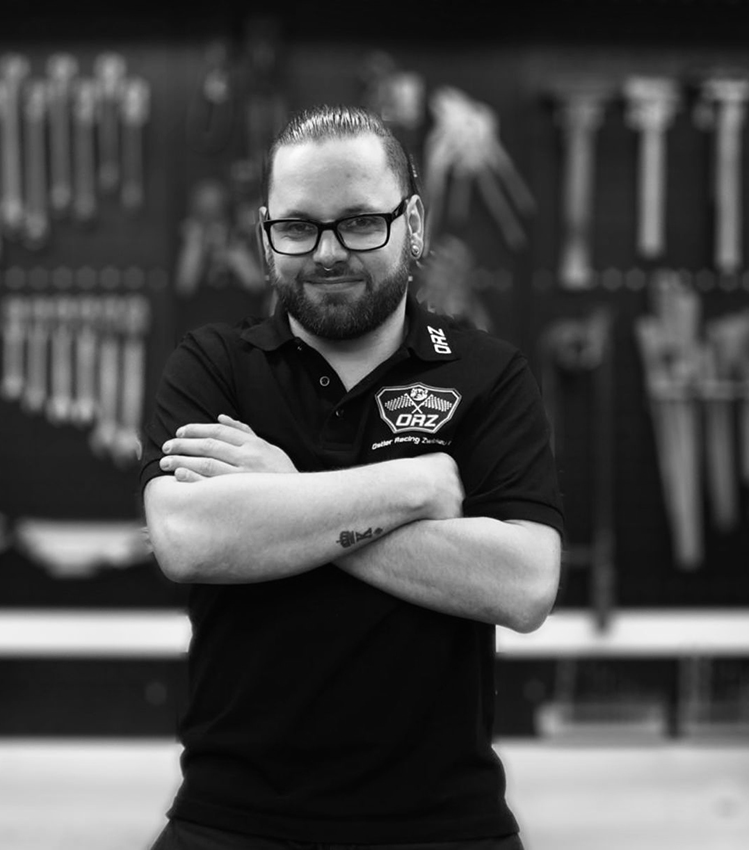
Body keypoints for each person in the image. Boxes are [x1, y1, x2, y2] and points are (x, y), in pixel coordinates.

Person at [139, 104, 563, 850]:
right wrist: (415, 489)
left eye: (361, 223)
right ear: (264, 235)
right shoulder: (212, 367)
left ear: (414, 224)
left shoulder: (488, 375)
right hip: (230, 822)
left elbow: (523, 584)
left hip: (447, 827)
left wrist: (281, 491)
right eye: (298, 227)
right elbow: (188, 539)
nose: (328, 252)